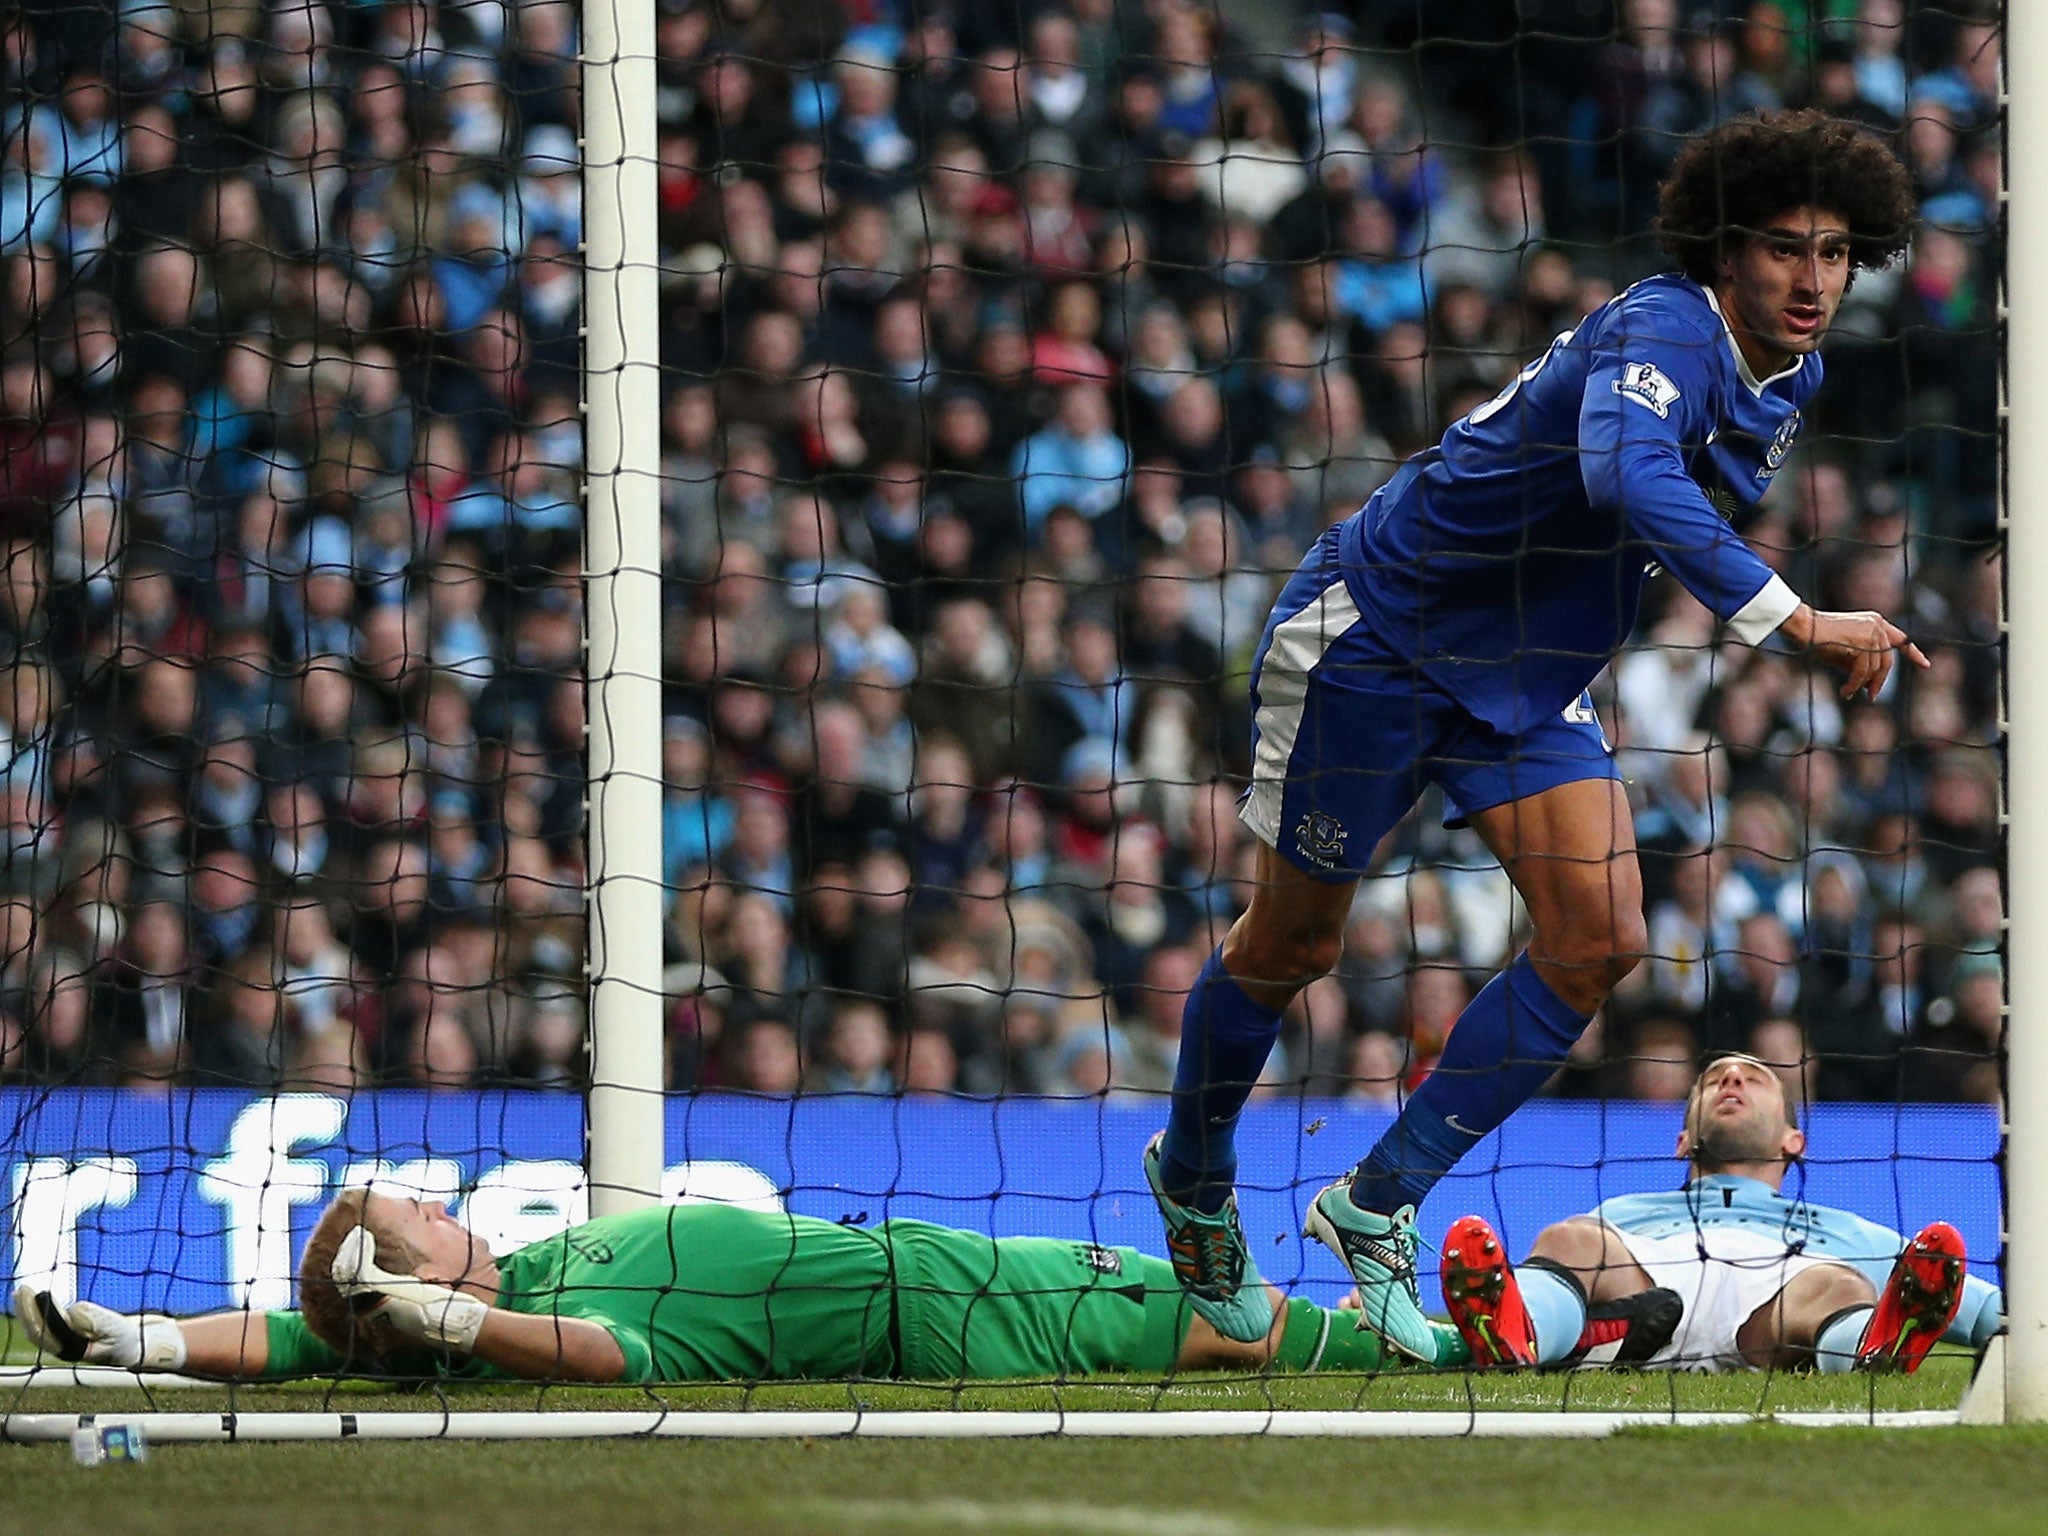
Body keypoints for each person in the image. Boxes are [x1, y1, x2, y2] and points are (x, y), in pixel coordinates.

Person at [1143, 108, 1928, 1362]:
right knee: (1295, 942)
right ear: (1723, 251)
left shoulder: (1793, 377)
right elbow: (1625, 475)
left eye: (1836, 254)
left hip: (1523, 680)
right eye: (1784, 249)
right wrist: (1795, 622)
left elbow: (1638, 519)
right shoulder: (1662, 324)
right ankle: (1191, 1178)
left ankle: (1373, 1204)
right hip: (1376, 638)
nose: (1810, 280)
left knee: (1599, 937)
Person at [11, 1190, 1468, 1385]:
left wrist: (139, 1338)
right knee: (1230, 1325)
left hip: (941, 1265)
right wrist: (470, 1324)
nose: (446, 1211)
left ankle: (1445, 1337)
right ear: (416, 1277)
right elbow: (599, 1363)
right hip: (953, 1310)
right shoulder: (543, 1319)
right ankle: (1456, 1354)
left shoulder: (524, 1263)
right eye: (422, 1222)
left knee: (1218, 1308)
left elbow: (283, 1334)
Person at [1434, 1054, 2001, 1374]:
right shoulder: (1623, 1214)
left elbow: (1986, 1312)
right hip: (1649, 1301)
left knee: (1835, 1282)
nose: (1731, 1079)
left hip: (1776, 1315)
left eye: (1753, 1079)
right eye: (1714, 1080)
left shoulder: (1845, 1232)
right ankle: (1514, 1334)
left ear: (1792, 1140)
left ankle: (1873, 1351)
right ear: (1683, 1140)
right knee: (1572, 1240)